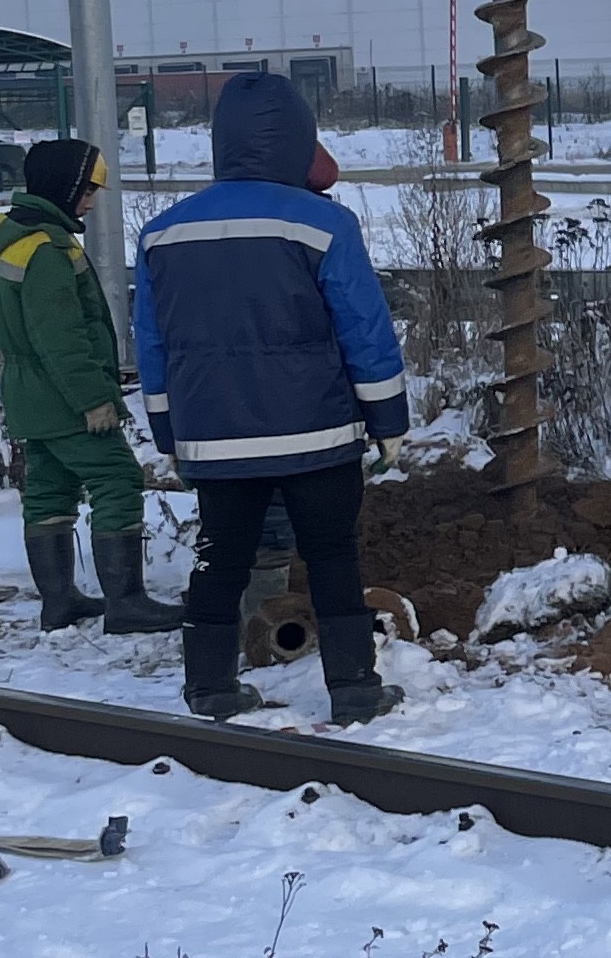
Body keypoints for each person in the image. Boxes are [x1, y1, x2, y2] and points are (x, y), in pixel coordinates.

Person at [133, 70, 410, 727]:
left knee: (219, 558)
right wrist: (387, 418)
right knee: (333, 554)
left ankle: (210, 689)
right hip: (315, 433)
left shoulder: (163, 234)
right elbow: (364, 330)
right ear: (297, 138)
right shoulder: (324, 224)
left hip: (215, 436)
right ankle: (354, 689)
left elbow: (152, 346)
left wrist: (169, 433)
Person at [0, 137, 186, 637]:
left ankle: (60, 601)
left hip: (29, 394)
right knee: (118, 479)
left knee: (50, 490)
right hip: (64, 394)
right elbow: (62, 338)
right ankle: (126, 602)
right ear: (65, 186)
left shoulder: (16, 238)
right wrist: (93, 399)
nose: (91, 200)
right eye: (88, 189)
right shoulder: (48, 249)